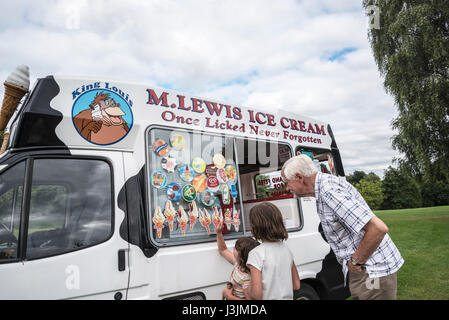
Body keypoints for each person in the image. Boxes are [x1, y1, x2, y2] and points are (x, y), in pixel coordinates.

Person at [281, 154, 404, 300]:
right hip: (370, 269)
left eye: (287, 182)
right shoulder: (326, 186)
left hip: (372, 271)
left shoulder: (329, 192)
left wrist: (355, 262)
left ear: (300, 177)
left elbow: (378, 229)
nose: (287, 188)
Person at [243, 202, 301, 300]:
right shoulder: (286, 249)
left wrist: (247, 290)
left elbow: (257, 295)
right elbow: (296, 285)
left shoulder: (256, 254)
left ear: (255, 227)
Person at [216, 222, 260, 300]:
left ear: (242, 258)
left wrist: (229, 296)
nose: (233, 248)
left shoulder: (246, 278)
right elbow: (223, 250)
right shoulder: (238, 264)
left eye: (236, 248)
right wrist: (219, 233)